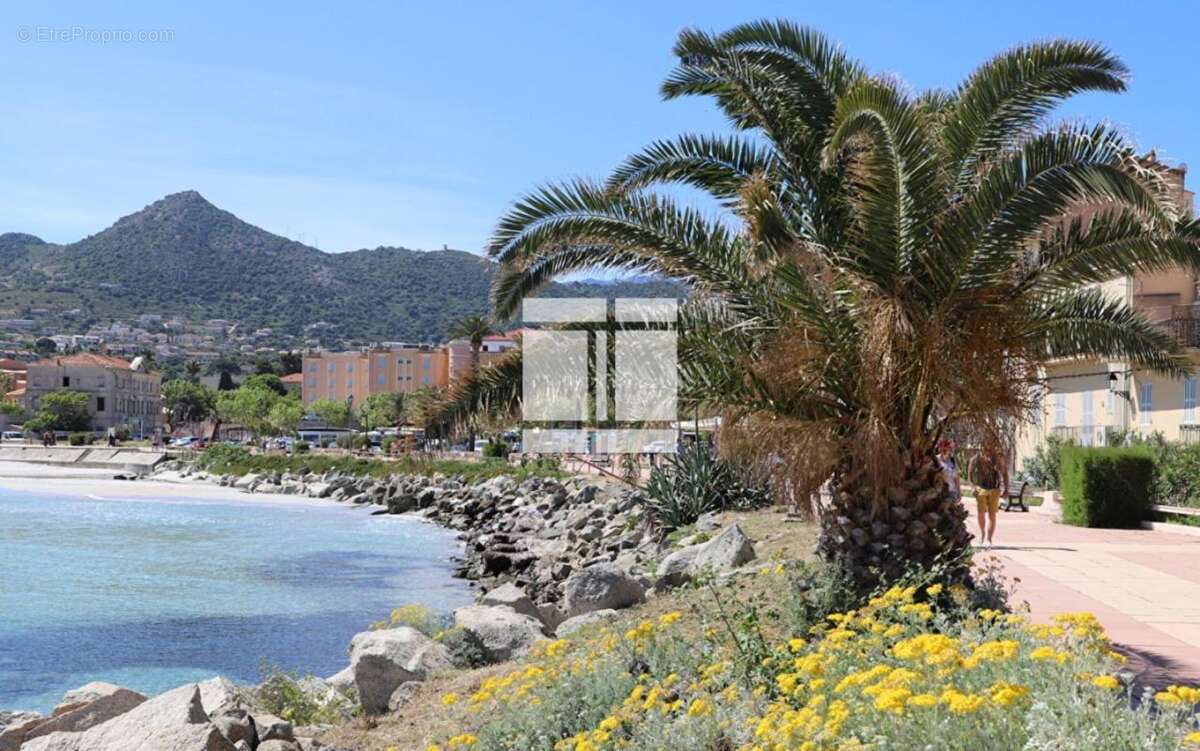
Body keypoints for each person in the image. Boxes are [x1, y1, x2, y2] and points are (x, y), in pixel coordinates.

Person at [968, 446, 1008, 547]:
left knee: (992, 515)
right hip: (981, 489)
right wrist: (972, 487)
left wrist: (1006, 489)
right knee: (981, 513)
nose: (987, 451)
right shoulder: (975, 459)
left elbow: (1005, 473)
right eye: (984, 448)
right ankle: (982, 533)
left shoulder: (997, 459)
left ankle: (989, 539)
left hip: (995, 489)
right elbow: (970, 474)